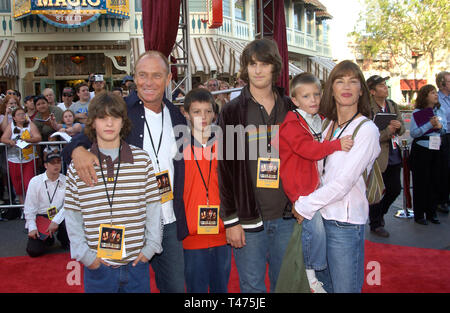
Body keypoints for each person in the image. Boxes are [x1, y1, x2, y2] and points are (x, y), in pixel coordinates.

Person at [61, 50, 188, 293]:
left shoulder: (177, 116)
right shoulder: (120, 111)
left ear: (169, 78)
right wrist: (78, 151)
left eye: (156, 75)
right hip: (130, 224)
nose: (148, 82)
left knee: (175, 288)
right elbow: (77, 143)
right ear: (134, 77)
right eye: (142, 75)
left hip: (169, 221)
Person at [292, 60, 380, 293]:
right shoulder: (328, 124)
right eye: (340, 81)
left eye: (353, 81)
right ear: (331, 89)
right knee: (323, 290)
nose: (346, 86)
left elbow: (343, 183)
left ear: (362, 89)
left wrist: (304, 205)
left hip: (345, 225)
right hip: (320, 220)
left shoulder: (366, 129)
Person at [217, 38, 296, 293]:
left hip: (288, 217)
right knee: (252, 288)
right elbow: (225, 171)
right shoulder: (231, 111)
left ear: (275, 68)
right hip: (248, 219)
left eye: (264, 64)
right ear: (246, 69)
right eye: (252, 64)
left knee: (285, 285)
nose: (258, 70)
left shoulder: (292, 108)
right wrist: (230, 221)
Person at [64, 92, 162, 293]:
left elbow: (153, 207)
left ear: (123, 122)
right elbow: (73, 215)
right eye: (102, 118)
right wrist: (86, 257)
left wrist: (151, 247)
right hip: (98, 267)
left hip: (136, 264)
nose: (109, 124)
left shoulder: (142, 160)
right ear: (92, 123)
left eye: (115, 117)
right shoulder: (78, 167)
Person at [278, 72, 354, 293]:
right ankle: (312, 275)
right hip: (301, 188)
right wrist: (337, 145)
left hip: (315, 185)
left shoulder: (317, 120)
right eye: (306, 96)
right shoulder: (291, 124)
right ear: (295, 100)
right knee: (316, 228)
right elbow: (308, 150)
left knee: (320, 229)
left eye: (316, 95)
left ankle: (317, 272)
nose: (313, 100)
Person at [181, 88, 231, 293]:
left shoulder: (226, 145)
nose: (203, 117)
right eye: (196, 111)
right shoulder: (176, 147)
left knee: (221, 289)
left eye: (208, 111)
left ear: (214, 114)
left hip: (222, 232)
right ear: (186, 113)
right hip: (191, 236)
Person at [366, 75, 405, 237]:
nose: (385, 88)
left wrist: (398, 126)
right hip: (378, 156)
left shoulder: (392, 105)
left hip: (394, 154)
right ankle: (375, 223)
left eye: (385, 85)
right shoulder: (368, 109)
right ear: (372, 91)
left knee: (395, 188)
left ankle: (379, 214)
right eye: (381, 86)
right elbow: (369, 136)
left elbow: (402, 128)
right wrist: (388, 131)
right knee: (376, 191)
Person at [409, 84, 447, 225]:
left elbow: (445, 129)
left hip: (437, 147)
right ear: (425, 96)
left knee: (435, 181)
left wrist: (440, 127)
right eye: (432, 93)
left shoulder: (439, 111)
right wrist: (429, 125)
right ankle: (419, 214)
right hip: (422, 149)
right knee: (421, 183)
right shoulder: (418, 112)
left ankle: (432, 212)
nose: (435, 95)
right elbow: (414, 133)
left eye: (435, 93)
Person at [24, 148, 68, 257]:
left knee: (69, 244)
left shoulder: (66, 181)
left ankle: (63, 238)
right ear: (45, 165)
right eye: (52, 163)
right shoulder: (35, 181)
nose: (56, 165)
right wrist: (32, 227)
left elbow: (68, 205)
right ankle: (48, 238)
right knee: (33, 251)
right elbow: (30, 207)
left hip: (60, 215)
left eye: (58, 162)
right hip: (41, 216)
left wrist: (56, 221)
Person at [1, 107, 41, 205]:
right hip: (14, 159)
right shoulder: (11, 126)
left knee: (28, 183)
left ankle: (30, 205)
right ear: (14, 117)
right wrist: (10, 141)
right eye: (19, 114)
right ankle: (23, 206)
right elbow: (3, 138)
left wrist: (28, 140)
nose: (22, 116)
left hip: (29, 159)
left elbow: (38, 137)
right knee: (18, 185)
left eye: (23, 114)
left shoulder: (30, 124)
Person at [436, 71, 450, 214]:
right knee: (444, 169)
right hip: (443, 136)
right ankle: (442, 200)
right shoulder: (436, 99)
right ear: (442, 83)